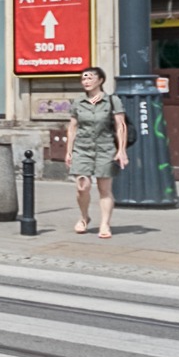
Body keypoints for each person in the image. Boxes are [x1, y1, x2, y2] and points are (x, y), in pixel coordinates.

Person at [63, 65, 128, 239]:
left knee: (104, 188)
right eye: (83, 78)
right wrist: (69, 151)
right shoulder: (78, 102)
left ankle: (105, 224)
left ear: (100, 80)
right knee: (82, 187)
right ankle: (84, 217)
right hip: (82, 148)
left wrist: (121, 150)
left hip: (105, 148)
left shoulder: (112, 100)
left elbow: (120, 126)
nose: (86, 81)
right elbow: (72, 127)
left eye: (90, 78)